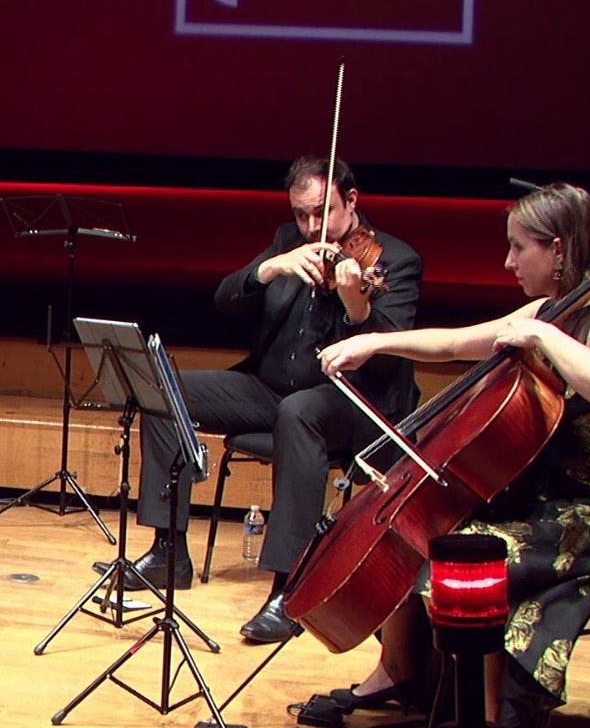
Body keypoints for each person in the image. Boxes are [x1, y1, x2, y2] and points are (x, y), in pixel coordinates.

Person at [315, 182, 590, 728]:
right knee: (423, 526)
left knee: (473, 557)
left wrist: (546, 338)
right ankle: (399, 674)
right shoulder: (546, 310)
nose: (507, 262)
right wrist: (374, 341)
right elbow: (454, 343)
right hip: (534, 494)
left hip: (588, 510)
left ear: (558, 249)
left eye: (518, 248)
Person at [116, 156, 422, 645]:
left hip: (353, 403)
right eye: (301, 215)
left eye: (322, 213)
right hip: (271, 388)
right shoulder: (287, 242)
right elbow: (225, 299)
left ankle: (289, 587)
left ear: (353, 201)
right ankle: (169, 549)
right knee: (162, 388)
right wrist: (268, 269)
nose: (312, 227)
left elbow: (384, 358)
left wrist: (355, 303)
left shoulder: (394, 260)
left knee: (299, 413)